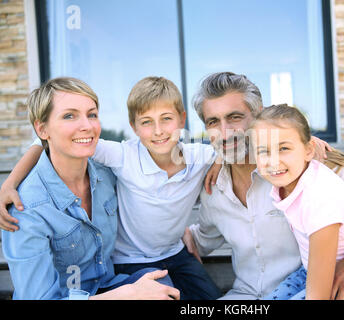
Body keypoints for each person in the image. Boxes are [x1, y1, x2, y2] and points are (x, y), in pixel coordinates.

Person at [182, 71, 344, 299]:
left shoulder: (310, 167)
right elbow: (199, 239)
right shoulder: (214, 188)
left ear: (258, 117)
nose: (224, 134)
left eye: (234, 117)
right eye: (213, 122)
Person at [0, 77, 221, 300]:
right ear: (42, 128)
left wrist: (176, 225)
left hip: (108, 283)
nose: (86, 125)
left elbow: (157, 197)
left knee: (165, 291)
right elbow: (41, 144)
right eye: (69, 115)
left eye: (92, 114)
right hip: (81, 292)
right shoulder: (26, 208)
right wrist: (9, 183)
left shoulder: (104, 174)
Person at [251, 104, 344, 300]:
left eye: (284, 148)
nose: (273, 161)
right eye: (263, 151)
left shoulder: (320, 196)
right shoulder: (287, 183)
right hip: (312, 270)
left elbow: (319, 296)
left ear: (308, 150)